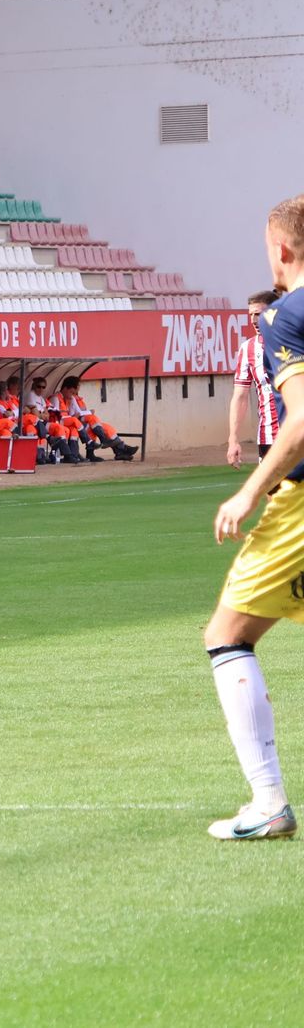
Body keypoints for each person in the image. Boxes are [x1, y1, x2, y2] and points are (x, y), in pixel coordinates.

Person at [204, 195, 304, 840]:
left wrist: (248, 493)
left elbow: (303, 421)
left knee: (228, 634)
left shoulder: (287, 314)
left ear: (282, 249)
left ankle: (268, 801)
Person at [229, 290, 283, 467]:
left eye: (258, 314)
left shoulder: (296, 342)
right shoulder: (248, 349)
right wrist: (233, 439)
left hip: (298, 434)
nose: (253, 320)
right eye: (251, 315)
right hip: (268, 437)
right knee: (272, 486)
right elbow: (240, 397)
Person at [55, 376, 137, 461]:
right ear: (67, 388)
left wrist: (87, 413)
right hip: (77, 422)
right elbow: (69, 415)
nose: (78, 388)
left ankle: (120, 449)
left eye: (78, 386)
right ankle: (115, 447)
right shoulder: (60, 398)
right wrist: (87, 413)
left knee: (107, 428)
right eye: (77, 386)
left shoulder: (72, 398)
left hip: (79, 421)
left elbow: (78, 412)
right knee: (92, 423)